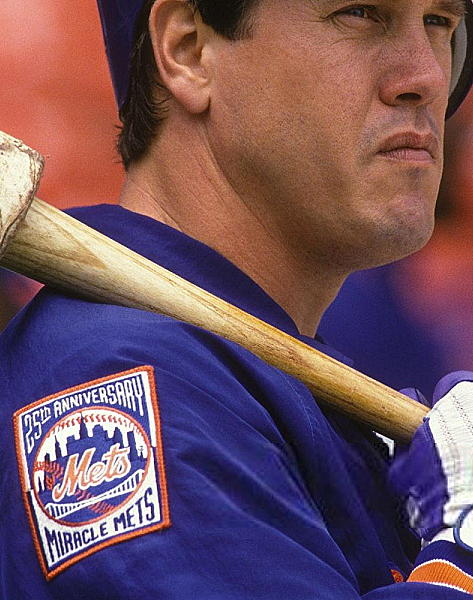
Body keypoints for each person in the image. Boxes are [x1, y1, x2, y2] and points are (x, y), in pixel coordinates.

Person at [1, 0, 473, 598]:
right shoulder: (121, 387)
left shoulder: (239, 381)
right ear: (189, 50)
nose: (427, 77)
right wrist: (462, 555)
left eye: (440, 22)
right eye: (359, 13)